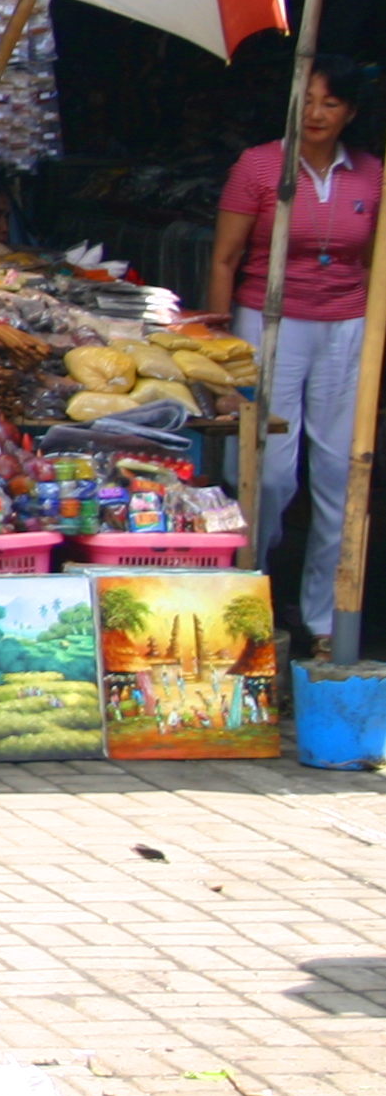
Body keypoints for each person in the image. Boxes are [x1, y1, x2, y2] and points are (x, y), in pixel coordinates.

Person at [206, 56, 380, 657]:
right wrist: (220, 350)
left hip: (346, 326)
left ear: (351, 113)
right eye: (306, 100)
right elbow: (225, 260)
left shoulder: (372, 176)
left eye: (330, 103)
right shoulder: (259, 165)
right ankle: (252, 589)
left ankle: (327, 621)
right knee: (267, 470)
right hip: (267, 321)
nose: (315, 114)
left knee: (338, 472)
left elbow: (375, 266)